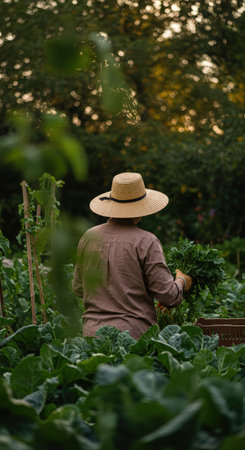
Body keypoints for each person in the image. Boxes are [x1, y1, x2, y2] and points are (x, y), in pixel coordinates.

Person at [72, 172, 192, 340]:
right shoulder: (147, 241)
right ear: (141, 207)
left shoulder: (88, 237)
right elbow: (169, 296)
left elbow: (78, 289)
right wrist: (182, 280)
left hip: (93, 336)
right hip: (133, 338)